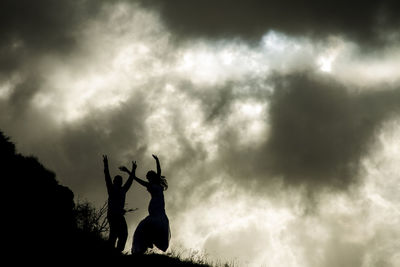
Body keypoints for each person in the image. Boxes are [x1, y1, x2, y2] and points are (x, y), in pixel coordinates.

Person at [119, 154, 170, 254]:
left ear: (153, 177)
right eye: (148, 178)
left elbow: (159, 170)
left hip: (159, 210)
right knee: (145, 226)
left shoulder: (158, 184)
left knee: (155, 225)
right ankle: (143, 246)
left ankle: (149, 241)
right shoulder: (149, 185)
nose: (148, 179)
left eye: (149, 177)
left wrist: (157, 160)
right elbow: (136, 179)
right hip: (154, 209)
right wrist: (128, 171)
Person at [103, 154, 135, 252]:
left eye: (120, 180)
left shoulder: (123, 190)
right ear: (114, 181)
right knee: (114, 234)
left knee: (123, 234)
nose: (119, 181)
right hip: (113, 215)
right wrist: (106, 165)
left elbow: (130, 180)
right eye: (118, 180)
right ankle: (111, 251)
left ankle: (117, 251)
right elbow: (107, 176)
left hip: (119, 215)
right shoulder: (111, 188)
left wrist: (133, 169)